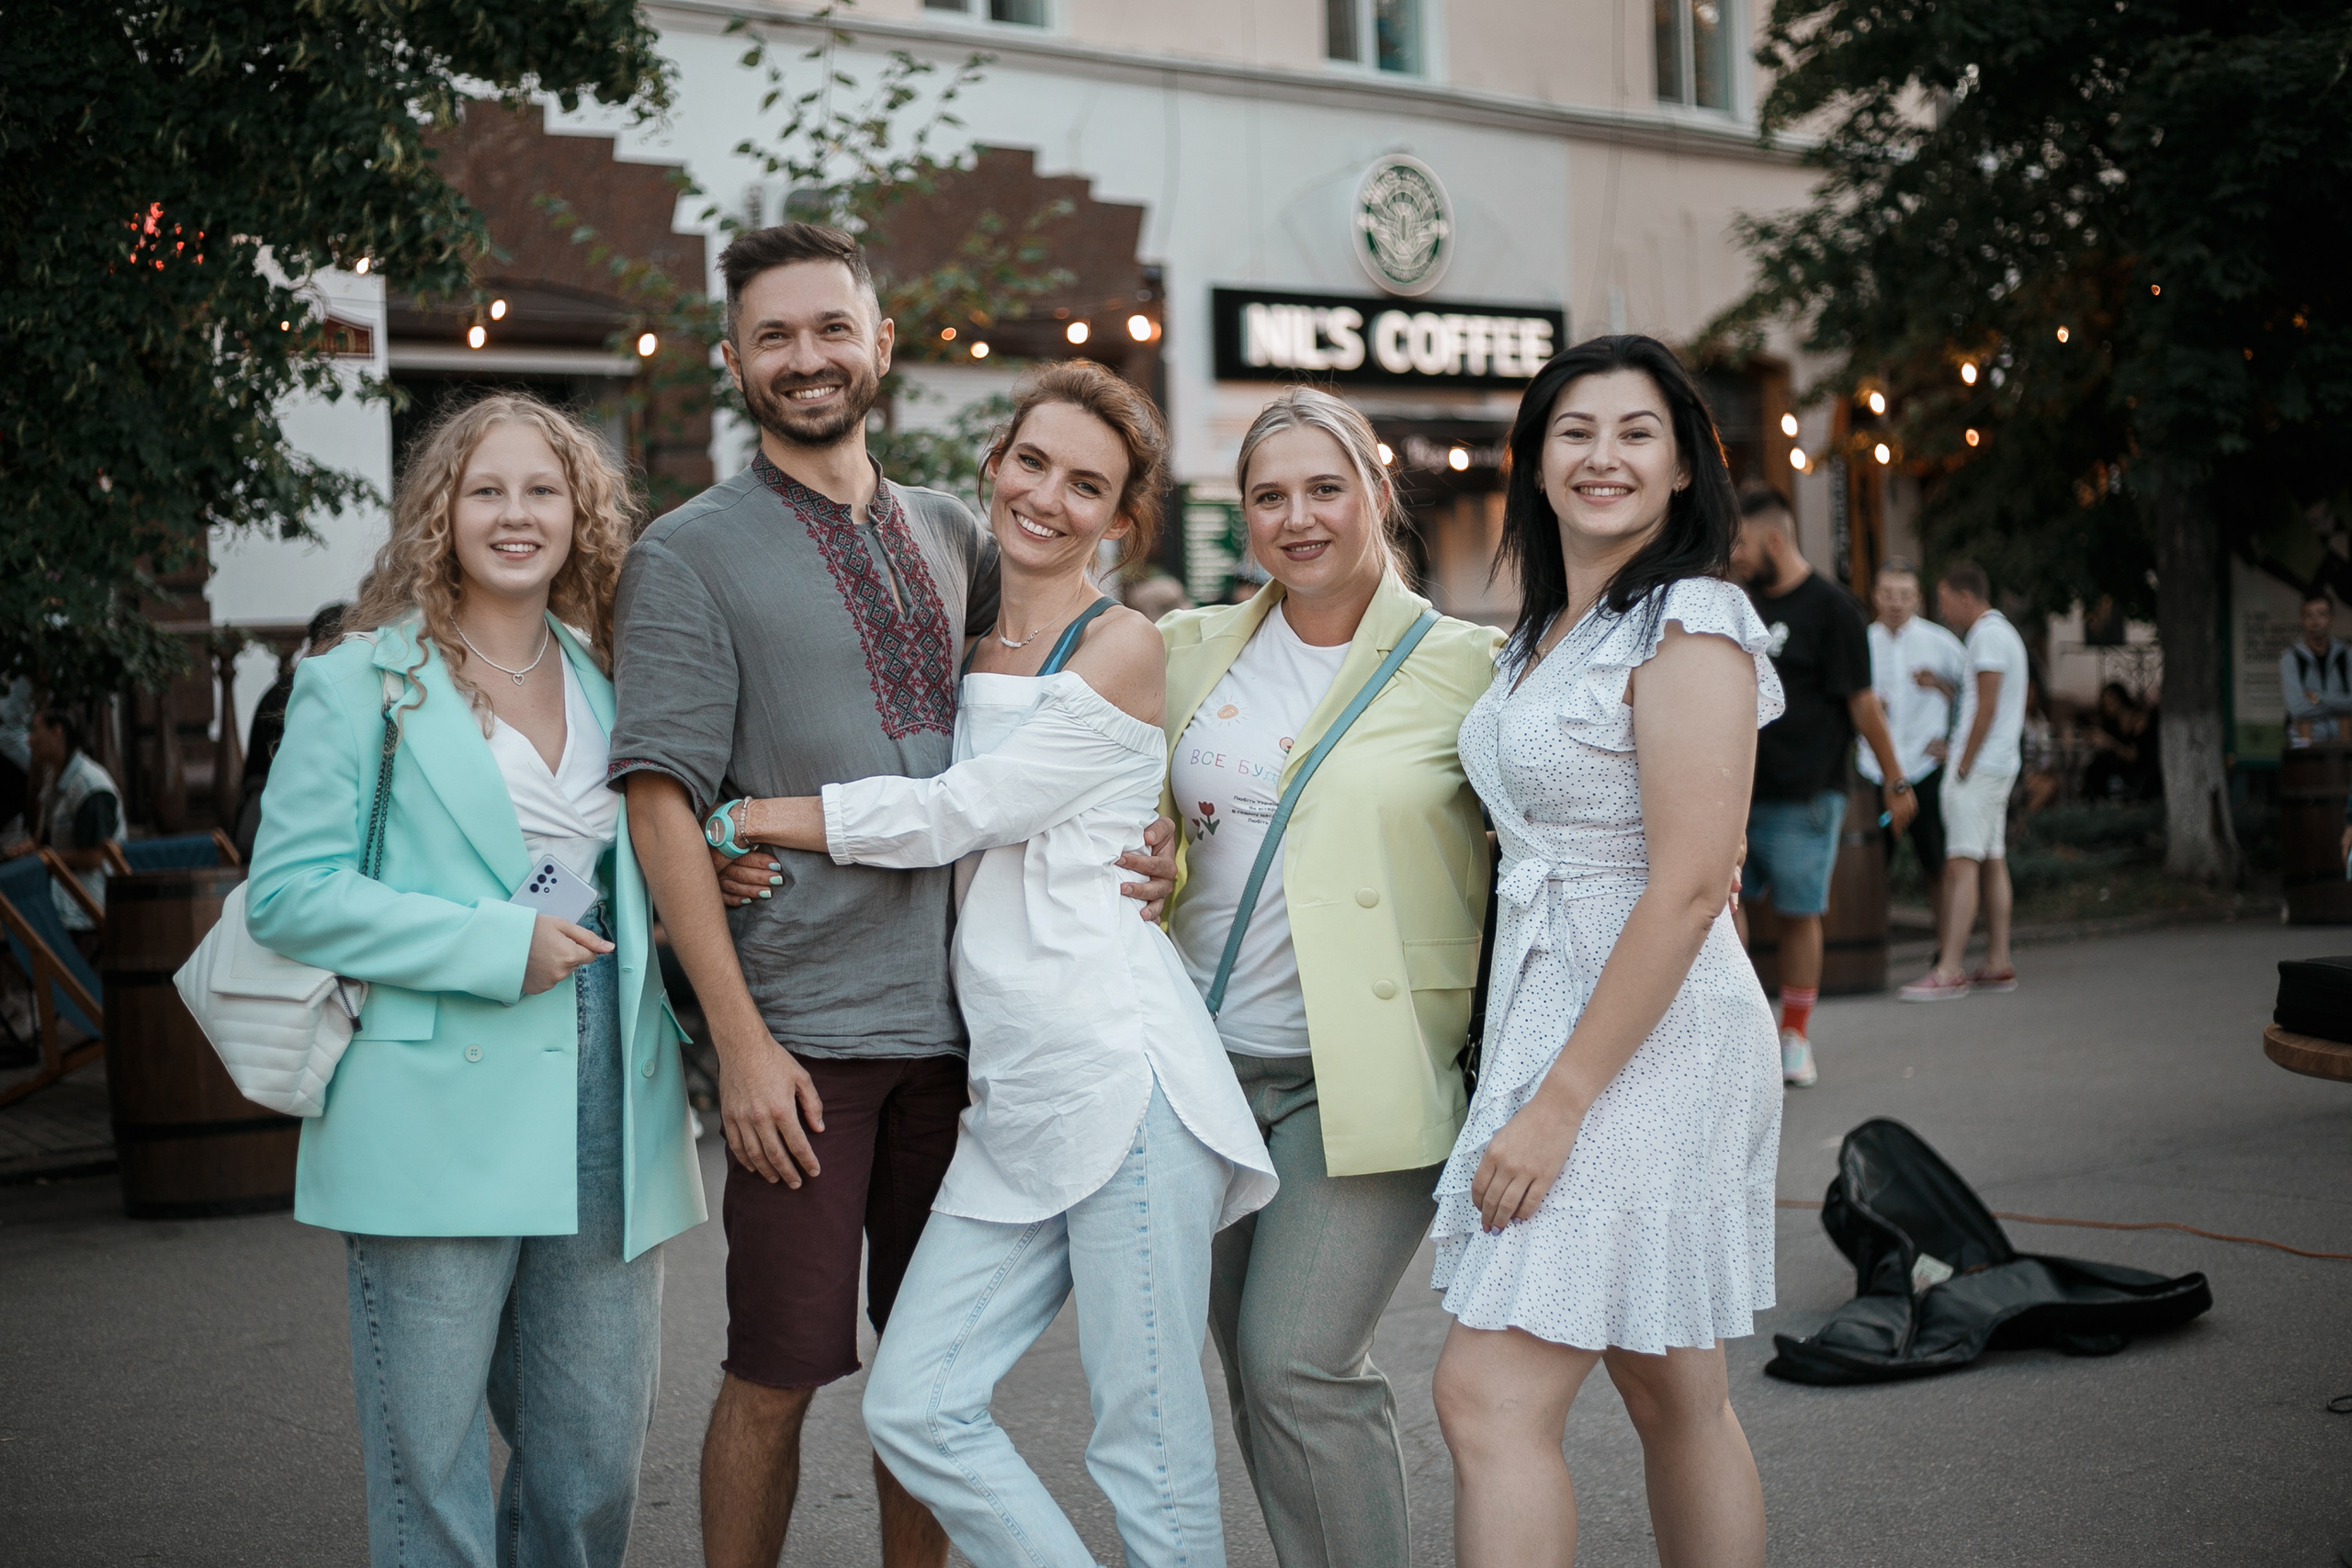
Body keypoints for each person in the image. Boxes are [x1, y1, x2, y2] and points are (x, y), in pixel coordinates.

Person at [611, 223, 1173, 1568]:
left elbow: (1038, 746)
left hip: (971, 1041)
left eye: (830, 328)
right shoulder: (686, 554)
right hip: (805, 1043)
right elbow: (658, 802)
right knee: (778, 1369)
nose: (807, 358)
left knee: (928, 1394)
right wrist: (737, 1041)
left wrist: (1162, 840)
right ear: (734, 360)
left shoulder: (953, 531)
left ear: (880, 341)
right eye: (775, 336)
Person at [713, 363, 1276, 1568]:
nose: (1049, 497)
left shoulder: (1121, 641)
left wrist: (749, 818)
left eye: (1089, 485)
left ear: (1123, 520)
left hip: (1123, 1073)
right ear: (993, 464)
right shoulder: (947, 626)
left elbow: (956, 809)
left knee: (1148, 1435)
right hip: (1009, 1085)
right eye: (1034, 463)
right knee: (914, 1404)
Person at [243, 391, 707, 1568]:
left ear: (580, 513)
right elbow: (289, 895)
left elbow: (638, 855)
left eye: (542, 490)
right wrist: (494, 947)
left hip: (612, 1073)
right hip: (432, 1087)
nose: (515, 515)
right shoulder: (361, 681)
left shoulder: (613, 676)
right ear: (438, 513)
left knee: (593, 1459)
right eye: (485, 490)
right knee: (431, 1462)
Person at [1430, 334, 1783, 1568]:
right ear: (1533, 458)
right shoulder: (1544, 629)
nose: (1604, 456)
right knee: (1671, 1389)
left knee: (1488, 1394)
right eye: (1576, 430)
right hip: (1562, 1000)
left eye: (1638, 432)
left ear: (1685, 465)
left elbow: (1689, 886)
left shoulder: (1690, 618)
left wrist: (1558, 1103)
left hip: (1651, 1027)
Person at [1156, 387, 1501, 1568]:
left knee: (1297, 1361)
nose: (1296, 518)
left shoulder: (1474, 669)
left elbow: (1566, 831)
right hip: (1200, 1072)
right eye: (1268, 496)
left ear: (1375, 492)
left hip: (1364, 1081)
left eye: (1322, 488)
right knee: (1256, 1383)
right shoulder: (1182, 651)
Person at [1724, 487, 1911, 1089]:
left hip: (1808, 794)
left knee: (1799, 913)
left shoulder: (1835, 609)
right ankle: (1744, 1032)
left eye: (1744, 543)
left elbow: (1862, 705)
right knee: (1728, 909)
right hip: (1736, 791)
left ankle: (1795, 1037)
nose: (1737, 555)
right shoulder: (1737, 602)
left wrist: (1895, 780)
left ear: (1774, 539)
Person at [1900, 561, 2029, 1000]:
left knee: (1961, 864)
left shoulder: (1987, 635)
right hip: (1996, 764)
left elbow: (1986, 707)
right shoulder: (2001, 633)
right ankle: (1996, 961)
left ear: (1965, 597)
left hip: (1980, 768)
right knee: (1991, 859)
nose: (1943, 609)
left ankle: (1950, 968)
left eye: (1946, 600)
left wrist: (1961, 763)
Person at [1861, 557, 1967, 924]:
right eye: (1888, 594)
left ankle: (1945, 953)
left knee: (1937, 865)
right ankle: (1868, 953)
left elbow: (1975, 697)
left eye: (1904, 595)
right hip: (1874, 770)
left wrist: (1953, 743)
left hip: (1926, 770)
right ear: (1875, 595)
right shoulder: (1861, 643)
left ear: (1917, 598)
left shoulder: (1942, 643)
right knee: (1870, 870)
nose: (1895, 602)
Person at [233, 601, 347, 862]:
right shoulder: (301, 692)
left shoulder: (294, 686)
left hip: (266, 819)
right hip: (270, 824)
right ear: (328, 642)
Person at [4, 708, 122, 940]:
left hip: (86, 899)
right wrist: (26, 850)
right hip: (61, 890)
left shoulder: (90, 785)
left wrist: (44, 858)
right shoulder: (54, 778)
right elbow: (47, 839)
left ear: (56, 732)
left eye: (35, 730)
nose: (29, 740)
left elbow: (95, 857)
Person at [2279, 589, 2352, 746]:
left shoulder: (2346, 656)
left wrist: (2317, 698)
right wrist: (2340, 704)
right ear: (2302, 619)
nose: (2315, 621)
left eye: (2321, 614)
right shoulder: (2291, 657)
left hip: (2343, 745)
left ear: (2331, 618)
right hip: (2303, 744)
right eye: (2309, 615)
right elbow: (2297, 708)